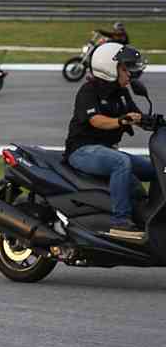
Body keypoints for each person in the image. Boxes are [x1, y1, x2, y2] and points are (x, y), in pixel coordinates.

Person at [64, 42, 152, 241]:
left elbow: (136, 116)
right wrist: (121, 120)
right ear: (108, 68)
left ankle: (152, 216)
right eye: (124, 68)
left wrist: (154, 122)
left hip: (105, 150)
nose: (129, 73)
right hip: (81, 150)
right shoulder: (89, 91)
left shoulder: (121, 92)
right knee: (121, 162)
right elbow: (96, 121)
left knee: (155, 169)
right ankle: (120, 222)